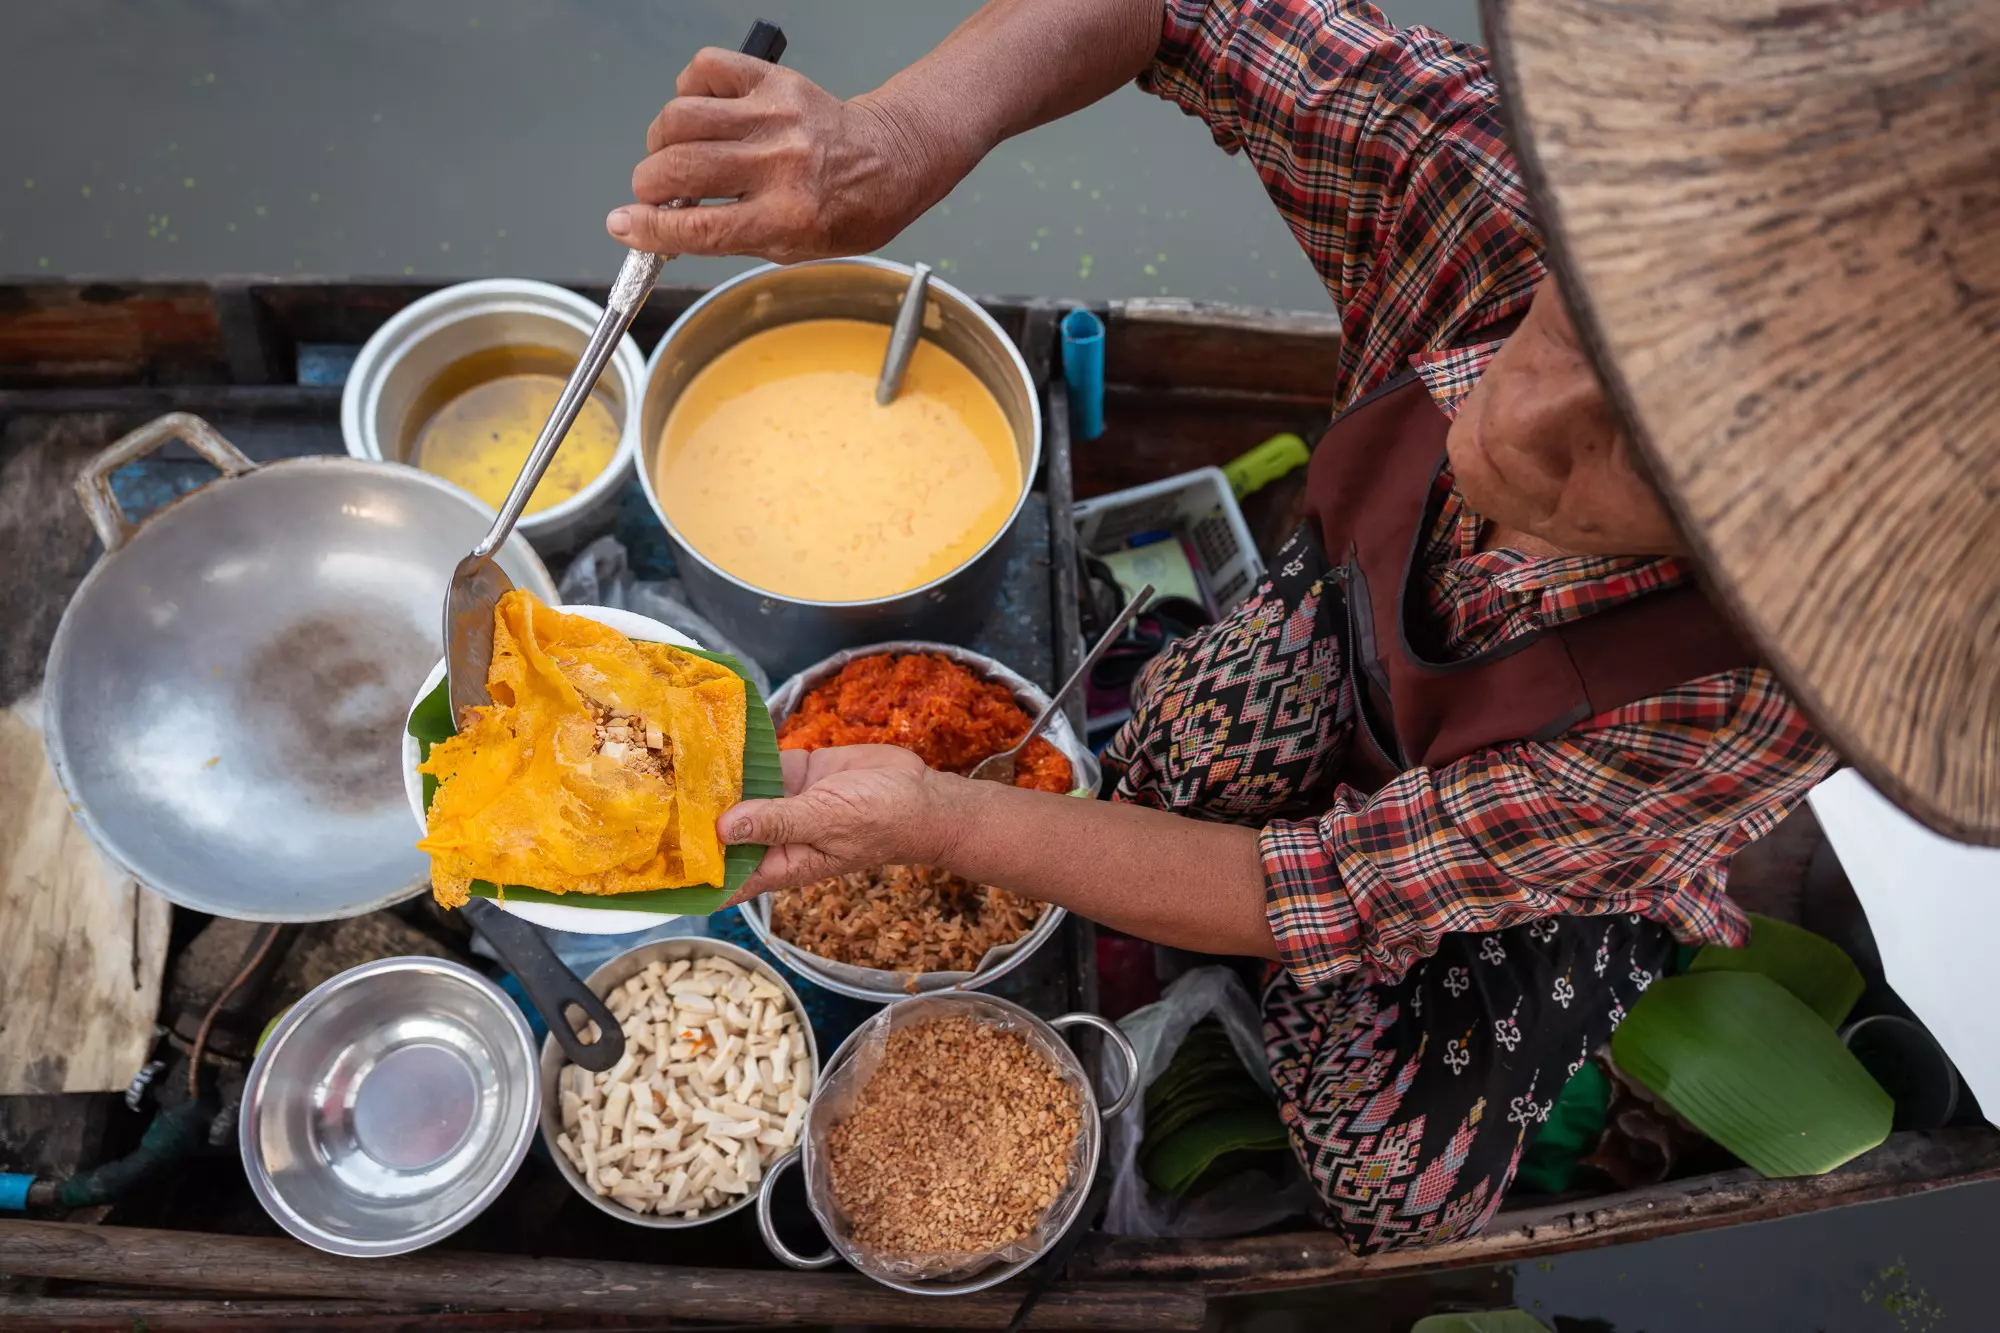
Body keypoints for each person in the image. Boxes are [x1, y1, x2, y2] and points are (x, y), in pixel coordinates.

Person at [608, 0, 1837, 1252]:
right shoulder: (1500, 190)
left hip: (1549, 854)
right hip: (1351, 626)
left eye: (1638, 453)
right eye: (1576, 319)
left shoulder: (1756, 695)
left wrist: (937, 819)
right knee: (1166, 757)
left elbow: (1318, 890)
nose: (1517, 419)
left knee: (1381, 1179)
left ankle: (1556, 968)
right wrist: (897, 132)